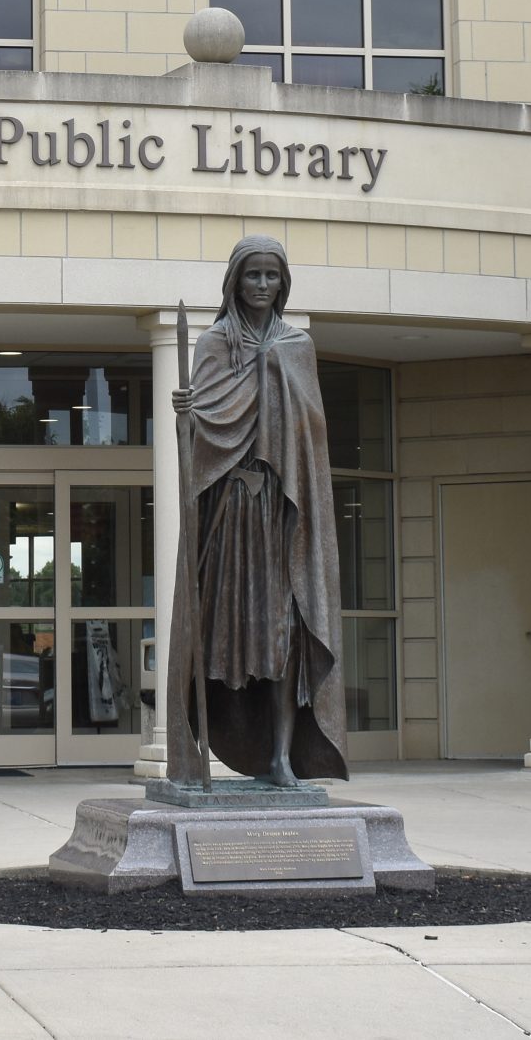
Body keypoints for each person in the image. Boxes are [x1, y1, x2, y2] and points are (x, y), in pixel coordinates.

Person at [165, 234, 349, 786]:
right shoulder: (215, 343)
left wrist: (273, 380)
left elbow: (310, 433)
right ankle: (201, 743)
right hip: (231, 513)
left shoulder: (297, 345)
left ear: (283, 282)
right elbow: (206, 432)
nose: (263, 285)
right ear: (235, 281)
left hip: (280, 511)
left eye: (272, 276)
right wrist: (189, 416)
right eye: (253, 275)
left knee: (286, 631)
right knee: (227, 632)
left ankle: (282, 757)